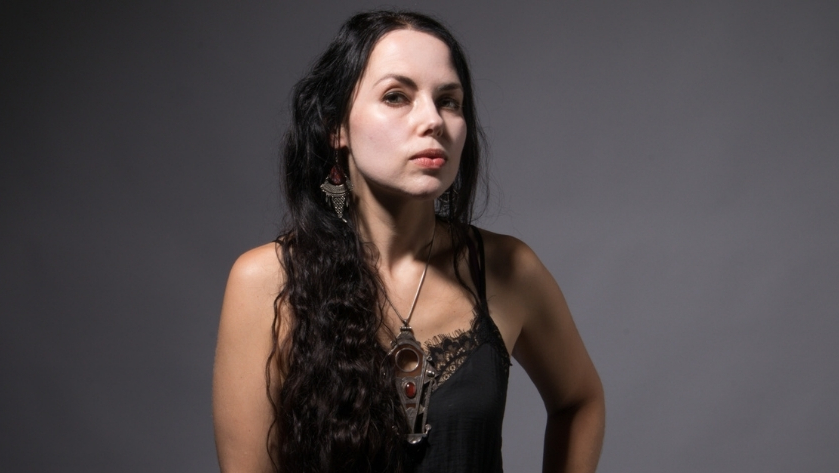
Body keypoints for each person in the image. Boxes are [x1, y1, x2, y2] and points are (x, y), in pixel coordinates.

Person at [212, 10, 604, 473]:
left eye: (449, 101)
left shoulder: (507, 268)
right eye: (396, 96)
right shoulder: (266, 281)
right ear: (336, 126)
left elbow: (579, 400)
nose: (433, 120)